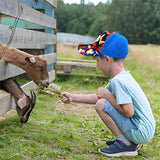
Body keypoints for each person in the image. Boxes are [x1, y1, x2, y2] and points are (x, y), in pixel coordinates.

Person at [59, 31, 155, 157]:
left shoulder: (118, 81)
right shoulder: (122, 76)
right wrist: (73, 97)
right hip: (143, 129)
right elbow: (99, 96)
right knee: (102, 101)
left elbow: (128, 111)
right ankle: (127, 141)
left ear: (107, 59)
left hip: (140, 131)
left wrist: (108, 96)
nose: (97, 65)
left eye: (97, 60)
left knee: (101, 104)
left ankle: (125, 144)